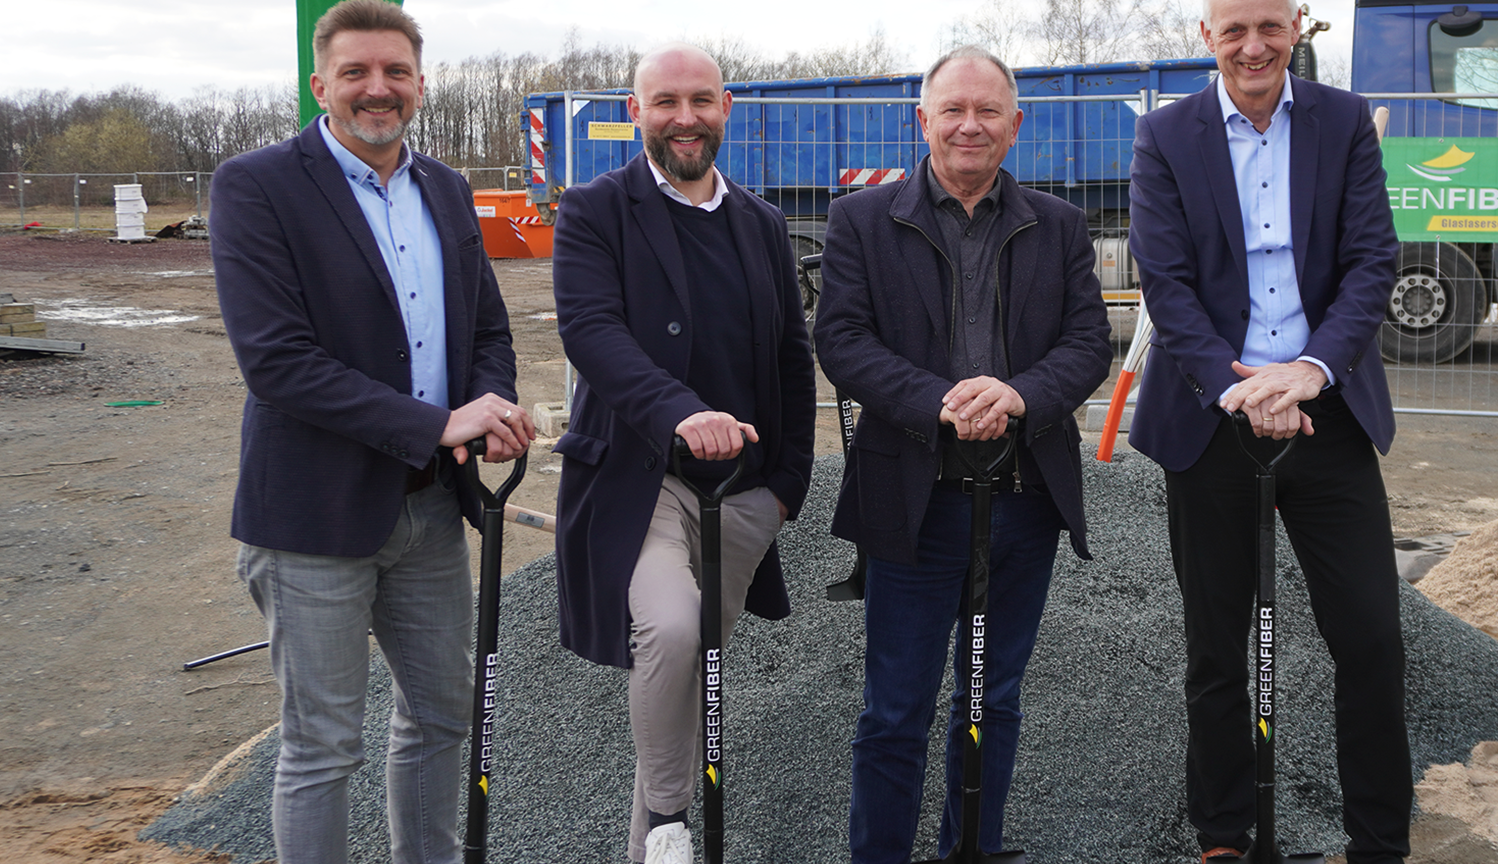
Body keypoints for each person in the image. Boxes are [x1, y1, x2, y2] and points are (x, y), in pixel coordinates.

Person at [209, 2, 534, 862]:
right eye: (355, 72)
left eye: (395, 72)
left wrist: (491, 406)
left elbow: (488, 332)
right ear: (321, 85)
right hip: (314, 518)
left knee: (440, 718)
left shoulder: (447, 188)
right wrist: (437, 422)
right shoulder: (257, 186)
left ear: (421, 85)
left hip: (429, 511)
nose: (377, 89)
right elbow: (277, 362)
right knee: (322, 747)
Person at [1125, 0, 1411, 861]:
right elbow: (1166, 283)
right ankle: (1225, 837)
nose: (1254, 46)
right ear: (1205, 36)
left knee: (1370, 639)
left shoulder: (1346, 121)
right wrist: (1237, 388)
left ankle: (1377, 842)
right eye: (1234, 29)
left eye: (1270, 27)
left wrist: (1310, 371)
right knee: (1217, 648)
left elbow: (1371, 261)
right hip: (1212, 421)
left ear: (1297, 27)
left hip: (1329, 413)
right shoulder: (1165, 136)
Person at [815, 45, 1114, 864]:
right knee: (895, 709)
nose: (970, 125)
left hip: (1023, 501)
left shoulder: (1057, 224)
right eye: (953, 110)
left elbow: (1090, 340)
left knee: (994, 696)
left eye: (988, 111)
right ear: (924, 120)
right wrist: (937, 402)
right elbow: (840, 338)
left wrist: (1020, 395)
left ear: (1015, 126)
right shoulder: (862, 222)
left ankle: (971, 850)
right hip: (914, 503)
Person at [548, 43, 815, 864]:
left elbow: (789, 357)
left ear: (726, 106)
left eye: (700, 100)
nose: (685, 118)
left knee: (685, 681)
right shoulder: (595, 211)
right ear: (637, 112)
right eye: (665, 102)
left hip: (743, 493)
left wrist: (784, 490)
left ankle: (654, 848)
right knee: (669, 631)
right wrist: (683, 412)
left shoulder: (762, 224)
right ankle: (670, 815)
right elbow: (593, 332)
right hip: (641, 479)